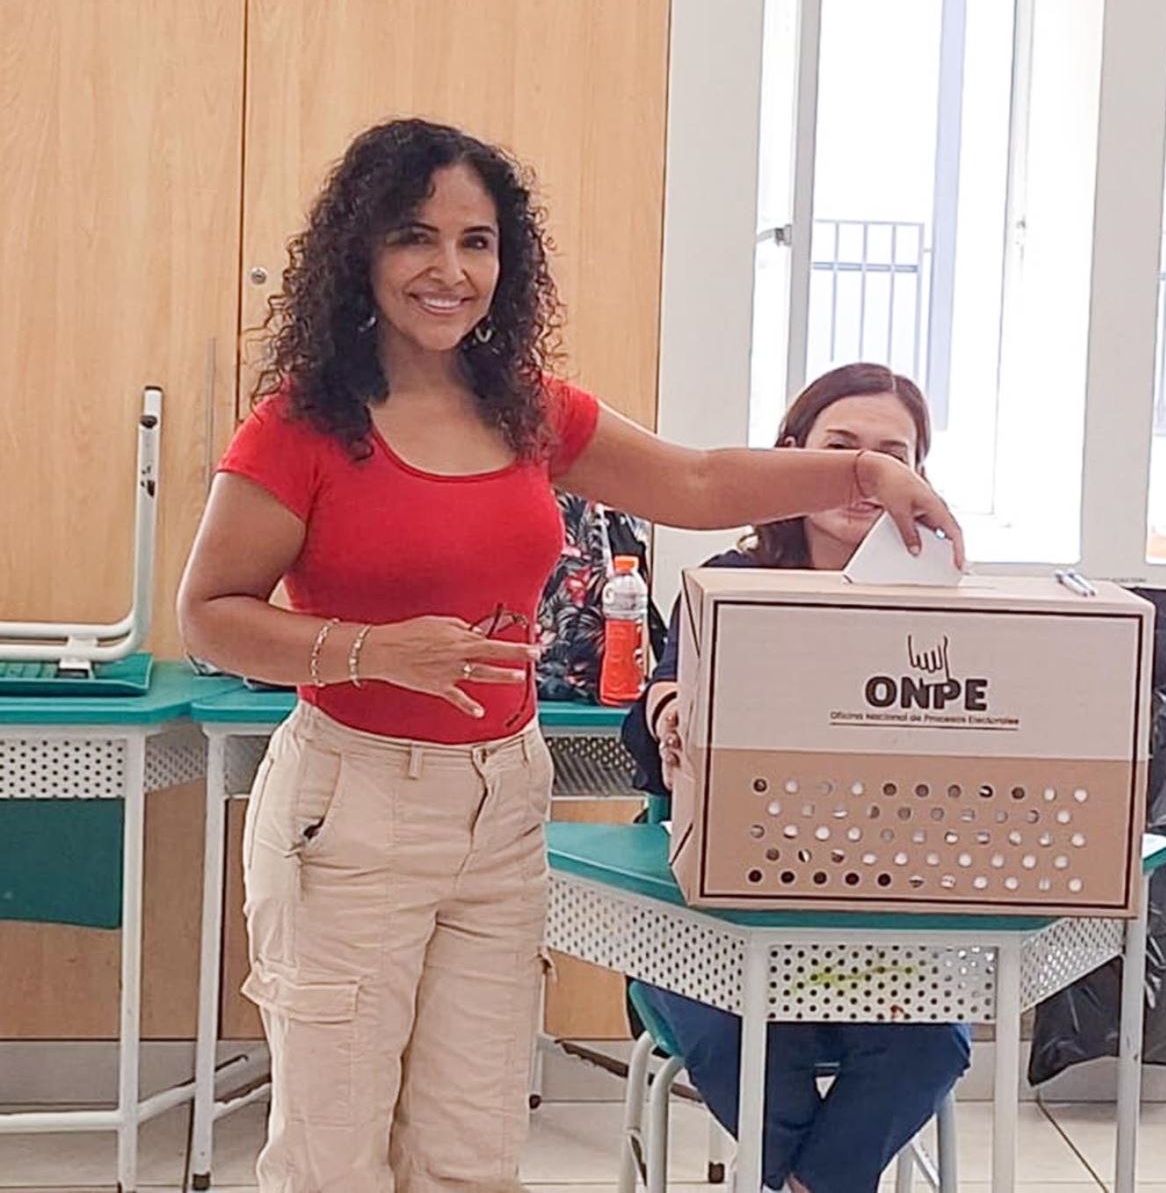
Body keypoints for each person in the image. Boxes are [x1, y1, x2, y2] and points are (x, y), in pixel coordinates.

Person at [176, 119, 961, 1193]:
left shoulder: (529, 410)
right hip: (352, 805)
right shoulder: (301, 427)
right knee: (331, 1153)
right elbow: (209, 616)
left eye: (477, 241)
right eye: (416, 237)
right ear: (361, 250)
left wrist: (861, 478)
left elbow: (693, 484)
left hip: (503, 800)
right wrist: (366, 651)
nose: (450, 271)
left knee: (472, 1148)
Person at [639, 362, 970, 1193]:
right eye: (841, 448)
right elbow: (654, 725)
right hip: (716, 915)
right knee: (746, 1047)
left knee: (931, 1044)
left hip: (880, 923)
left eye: (892, 453)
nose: (864, 475)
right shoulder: (727, 581)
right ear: (793, 455)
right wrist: (668, 710)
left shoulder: (944, 603)